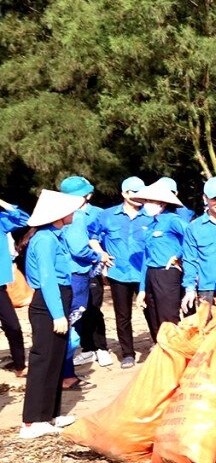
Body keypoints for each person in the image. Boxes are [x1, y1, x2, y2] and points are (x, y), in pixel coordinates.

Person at [19, 190, 82, 439]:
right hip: (47, 303)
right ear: (59, 215)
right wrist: (58, 314)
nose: (74, 213)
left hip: (57, 299)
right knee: (43, 360)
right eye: (71, 209)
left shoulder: (56, 236)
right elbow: (47, 279)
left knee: (56, 358)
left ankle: (49, 415)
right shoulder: (45, 239)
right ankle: (32, 421)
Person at [88, 176, 149, 368]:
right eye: (134, 192)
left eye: (141, 192)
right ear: (124, 193)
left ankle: (159, 346)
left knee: (151, 311)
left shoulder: (151, 214)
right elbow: (92, 236)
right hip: (118, 273)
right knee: (123, 315)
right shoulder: (107, 215)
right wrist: (101, 254)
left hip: (145, 273)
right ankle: (128, 353)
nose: (138, 196)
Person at [59, 176, 109, 368]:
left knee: (92, 309)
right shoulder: (75, 216)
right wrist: (99, 256)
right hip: (80, 272)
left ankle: (100, 348)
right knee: (78, 313)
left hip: (85, 271)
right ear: (86, 195)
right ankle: (81, 353)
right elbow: (79, 249)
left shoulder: (97, 213)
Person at [133, 181, 189, 342]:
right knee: (154, 316)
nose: (146, 205)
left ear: (162, 203)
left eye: (150, 202)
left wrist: (179, 255)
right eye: (145, 201)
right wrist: (142, 288)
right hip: (151, 273)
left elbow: (192, 237)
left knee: (168, 317)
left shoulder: (172, 220)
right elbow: (146, 257)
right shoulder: (151, 225)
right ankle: (161, 351)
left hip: (168, 273)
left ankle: (175, 353)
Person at [180, 177, 216, 316]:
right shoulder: (194, 228)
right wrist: (190, 288)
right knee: (208, 330)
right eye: (214, 199)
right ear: (205, 198)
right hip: (206, 288)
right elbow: (190, 260)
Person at [0, 199, 30, 375]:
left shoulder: (1, 220)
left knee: (13, 326)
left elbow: (23, 219)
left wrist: (3, 203)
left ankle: (20, 366)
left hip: (0, 286)